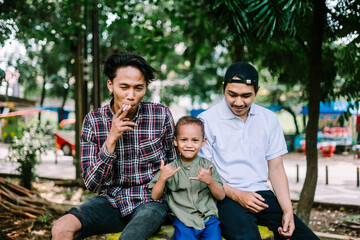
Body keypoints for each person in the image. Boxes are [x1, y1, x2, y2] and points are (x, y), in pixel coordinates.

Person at [51, 52, 178, 240]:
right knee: (62, 228)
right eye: (124, 87)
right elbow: (90, 183)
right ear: (110, 85)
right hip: (110, 202)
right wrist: (111, 140)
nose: (131, 96)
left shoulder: (160, 115)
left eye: (138, 88)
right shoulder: (93, 121)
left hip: (151, 202)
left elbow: (175, 163)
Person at [198, 62, 319, 240]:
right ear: (224, 88)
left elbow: (276, 169)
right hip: (223, 195)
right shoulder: (206, 120)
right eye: (232, 94)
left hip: (261, 194)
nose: (238, 102)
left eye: (246, 96)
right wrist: (238, 195)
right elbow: (204, 171)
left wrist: (287, 211)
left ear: (257, 90)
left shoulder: (268, 119)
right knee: (248, 237)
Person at [149, 116, 225, 240]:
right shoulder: (170, 168)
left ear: (203, 141)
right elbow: (155, 196)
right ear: (175, 141)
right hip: (184, 221)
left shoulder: (207, 167)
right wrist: (162, 178)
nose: (189, 145)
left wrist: (210, 182)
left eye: (195, 140)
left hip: (208, 220)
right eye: (183, 140)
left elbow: (221, 196)